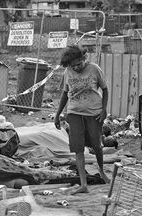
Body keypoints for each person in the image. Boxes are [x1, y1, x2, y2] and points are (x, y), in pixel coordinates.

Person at [54, 45, 110, 194]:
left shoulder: (94, 69)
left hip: (94, 113)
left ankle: (102, 171)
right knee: (78, 149)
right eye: (73, 66)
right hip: (74, 113)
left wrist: (104, 110)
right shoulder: (68, 72)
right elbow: (65, 94)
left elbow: (105, 89)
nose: (76, 68)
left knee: (97, 145)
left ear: (84, 58)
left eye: (79, 64)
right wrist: (58, 114)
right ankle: (83, 184)